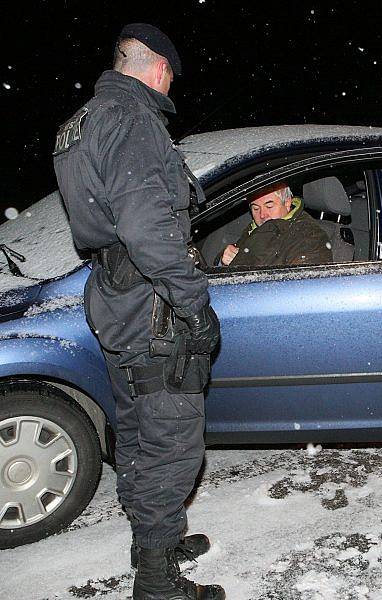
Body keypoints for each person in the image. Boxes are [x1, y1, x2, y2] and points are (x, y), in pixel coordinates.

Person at [53, 23, 224, 600]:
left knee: (136, 432)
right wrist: (194, 303)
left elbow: (104, 224)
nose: (170, 87)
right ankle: (157, 581)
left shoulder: (79, 123)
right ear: (157, 69)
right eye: (170, 76)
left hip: (115, 298)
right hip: (152, 304)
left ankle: (154, 539)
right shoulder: (133, 120)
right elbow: (150, 230)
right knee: (173, 442)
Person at [218, 182, 332, 267]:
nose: (262, 215)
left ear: (287, 203)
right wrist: (224, 260)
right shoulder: (252, 229)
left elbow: (300, 287)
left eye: (269, 206)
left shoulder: (309, 235)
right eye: (255, 208)